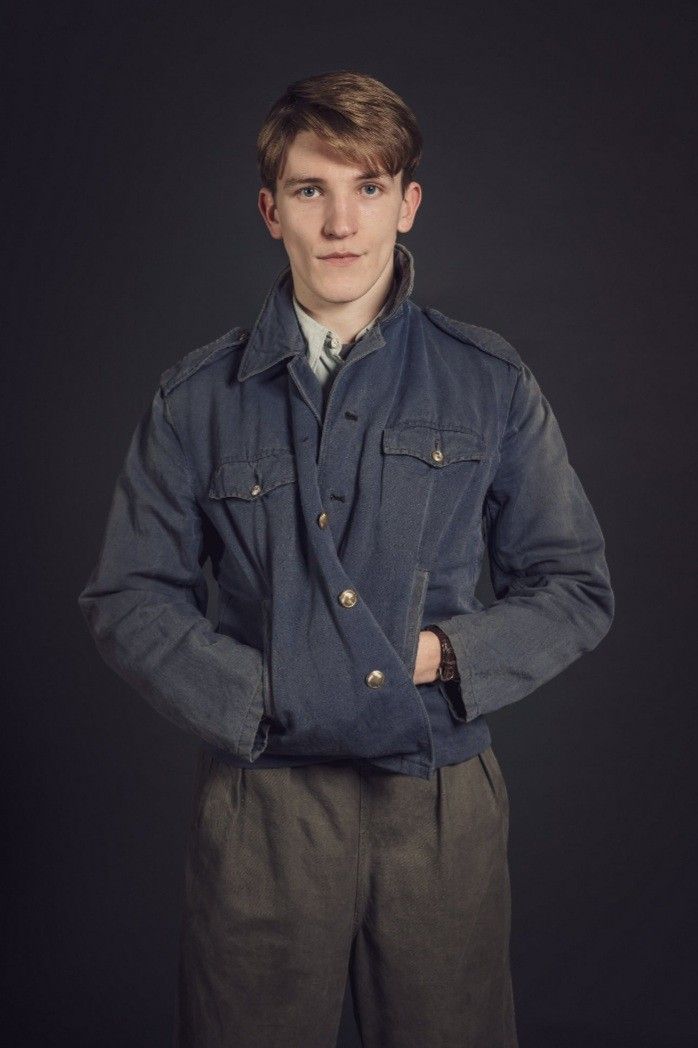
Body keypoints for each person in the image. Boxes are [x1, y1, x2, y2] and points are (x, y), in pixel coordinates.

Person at [77, 70, 614, 1048]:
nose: (339, 222)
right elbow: (129, 597)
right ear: (268, 210)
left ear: (407, 205)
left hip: (438, 805)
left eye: (366, 188)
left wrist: (435, 657)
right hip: (261, 809)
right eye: (309, 189)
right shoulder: (196, 398)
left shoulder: (486, 380)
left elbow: (574, 588)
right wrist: (270, 688)